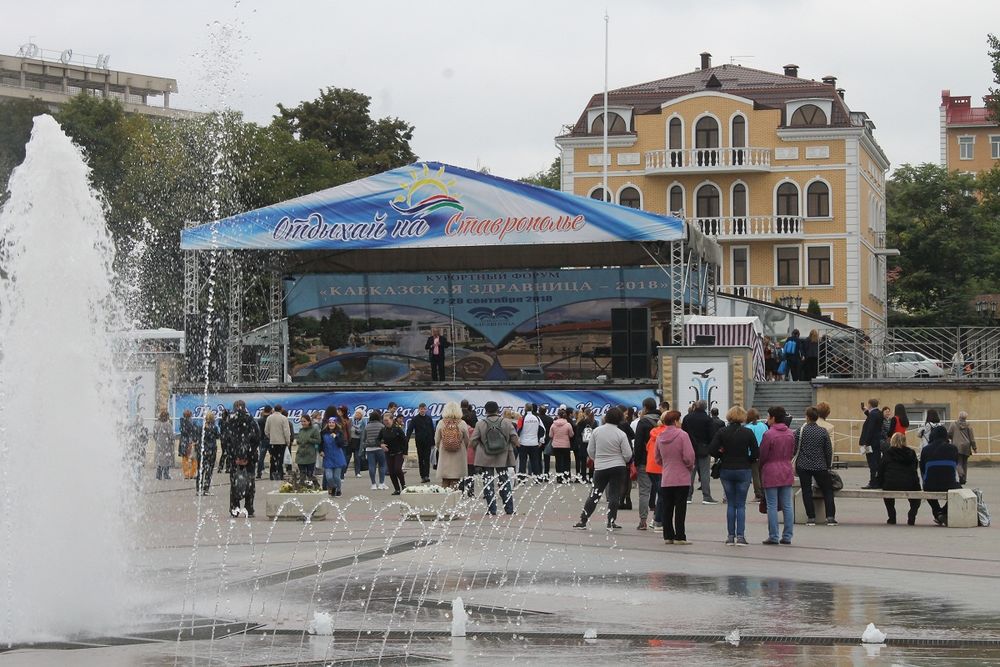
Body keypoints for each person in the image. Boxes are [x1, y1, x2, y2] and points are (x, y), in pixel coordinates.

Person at [572, 407, 633, 531]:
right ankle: (611, 521)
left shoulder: (597, 431)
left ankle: (583, 520)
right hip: (618, 467)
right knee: (614, 495)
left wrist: (597, 459)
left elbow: (590, 450)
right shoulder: (621, 434)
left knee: (594, 494)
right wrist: (622, 460)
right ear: (620, 419)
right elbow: (628, 454)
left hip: (601, 467)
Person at [710, 406, 759, 546]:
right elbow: (756, 453)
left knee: (731, 504)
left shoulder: (722, 432)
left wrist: (721, 455)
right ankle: (741, 536)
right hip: (743, 469)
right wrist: (748, 460)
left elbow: (712, 449)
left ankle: (730, 536)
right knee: (741, 505)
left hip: (727, 469)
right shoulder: (748, 432)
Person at [654, 410, 695, 545]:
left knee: (667, 508)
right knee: (680, 508)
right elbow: (689, 456)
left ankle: (668, 536)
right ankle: (680, 536)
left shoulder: (660, 437)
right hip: (682, 477)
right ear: (676, 421)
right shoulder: (683, 435)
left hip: (667, 476)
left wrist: (666, 465)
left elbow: (657, 458)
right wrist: (689, 467)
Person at [470, 400, 518, 516]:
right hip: (503, 456)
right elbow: (514, 438)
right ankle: (509, 509)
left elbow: (473, 441)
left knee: (488, 483)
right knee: (505, 481)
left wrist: (480, 448)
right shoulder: (506, 422)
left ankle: (492, 510)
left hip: (486, 458)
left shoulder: (480, 424)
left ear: (486, 411)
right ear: (498, 410)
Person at [794, 406, 837, 526]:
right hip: (820, 465)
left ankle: (811, 517)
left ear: (807, 417)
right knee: (827, 490)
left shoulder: (800, 431)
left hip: (803, 465)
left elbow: (795, 448)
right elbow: (828, 450)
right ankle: (830, 517)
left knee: (806, 491)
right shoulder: (823, 431)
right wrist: (828, 465)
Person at [759, 406, 795, 544]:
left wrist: (761, 467)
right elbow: (792, 451)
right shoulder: (790, 433)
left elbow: (763, 454)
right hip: (786, 468)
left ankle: (773, 535)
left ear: (773, 417)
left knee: (772, 505)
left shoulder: (769, 434)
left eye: (768, 416)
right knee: (787, 505)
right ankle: (787, 535)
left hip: (771, 470)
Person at [878, 432, 922, 525]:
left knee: (888, 495)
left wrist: (880, 482)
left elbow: (881, 469)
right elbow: (914, 468)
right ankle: (912, 515)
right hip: (909, 483)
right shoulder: (911, 453)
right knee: (916, 498)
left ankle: (892, 517)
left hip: (891, 483)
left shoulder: (888, 453)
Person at [921, 424, 961, 525]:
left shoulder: (926, 449)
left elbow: (922, 469)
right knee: (960, 491)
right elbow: (955, 464)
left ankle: (937, 512)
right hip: (950, 484)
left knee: (927, 488)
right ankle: (942, 512)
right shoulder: (953, 449)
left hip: (930, 485)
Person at [632, 397, 661, 530]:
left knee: (644, 491)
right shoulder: (663, 421)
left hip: (645, 461)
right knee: (661, 491)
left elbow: (638, 444)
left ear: (645, 407)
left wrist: (636, 462)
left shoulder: (642, 422)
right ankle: (658, 518)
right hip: (662, 461)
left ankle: (643, 521)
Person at [681, 400, 718, 504]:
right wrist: (710, 448)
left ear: (695, 407)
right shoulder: (708, 419)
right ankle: (706, 496)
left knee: (690, 473)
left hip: (689, 448)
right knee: (705, 473)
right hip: (704, 449)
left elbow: (683, 433)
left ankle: (688, 496)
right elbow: (712, 435)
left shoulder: (687, 418)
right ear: (705, 408)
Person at [228, 400, 260, 518]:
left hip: (235, 459)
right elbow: (256, 439)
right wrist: (248, 456)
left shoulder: (230, 422)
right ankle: (248, 507)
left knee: (235, 483)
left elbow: (227, 441)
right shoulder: (251, 421)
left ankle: (235, 507)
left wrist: (235, 457)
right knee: (250, 482)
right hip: (249, 458)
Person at [435, 401, 470, 489]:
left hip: (444, 453)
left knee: (445, 480)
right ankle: (454, 500)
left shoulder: (441, 423)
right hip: (459, 454)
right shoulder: (462, 423)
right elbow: (467, 440)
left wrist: (441, 447)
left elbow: (437, 440)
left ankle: (444, 500)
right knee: (456, 480)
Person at [407, 403, 437, 483]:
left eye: (424, 409)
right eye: (421, 409)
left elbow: (431, 430)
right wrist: (407, 439)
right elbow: (410, 429)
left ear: (426, 409)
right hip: (419, 441)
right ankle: (422, 476)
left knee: (427, 459)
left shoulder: (428, 418)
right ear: (419, 409)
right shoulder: (415, 419)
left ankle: (427, 475)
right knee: (421, 459)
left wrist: (433, 441)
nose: (422, 410)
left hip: (428, 441)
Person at [859, 398, 884, 489]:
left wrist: (866, 442)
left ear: (869, 404)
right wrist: (866, 412)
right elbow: (873, 418)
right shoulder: (879, 413)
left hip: (871, 443)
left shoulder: (873, 414)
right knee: (876, 462)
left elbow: (870, 429)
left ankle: (873, 482)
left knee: (872, 463)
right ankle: (878, 481)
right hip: (877, 442)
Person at [381, 413, 408, 494]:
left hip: (398, 452)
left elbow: (404, 441)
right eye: (384, 420)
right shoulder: (383, 430)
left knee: (397, 469)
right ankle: (397, 489)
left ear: (392, 420)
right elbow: (377, 440)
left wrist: (405, 453)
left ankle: (403, 485)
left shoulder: (397, 429)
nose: (386, 422)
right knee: (391, 472)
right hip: (389, 454)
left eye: (387, 420)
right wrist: (381, 444)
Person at [947, 411, 977, 485]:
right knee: (964, 462)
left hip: (956, 445)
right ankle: (964, 479)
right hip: (966, 446)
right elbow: (972, 438)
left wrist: (952, 438)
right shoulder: (968, 426)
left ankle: (961, 474)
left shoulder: (954, 424)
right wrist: (974, 448)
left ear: (959, 416)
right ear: (965, 417)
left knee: (958, 462)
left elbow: (949, 434)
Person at [264, 404, 292, 481]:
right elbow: (286, 431)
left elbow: (266, 430)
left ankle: (272, 475)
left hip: (272, 441)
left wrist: (271, 437)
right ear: (281, 410)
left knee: (273, 459)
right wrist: (288, 441)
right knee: (280, 459)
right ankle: (280, 474)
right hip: (281, 442)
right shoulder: (283, 418)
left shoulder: (269, 418)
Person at [321, 417, 347, 496]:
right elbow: (320, 443)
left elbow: (341, 444)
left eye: (333, 422)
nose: (331, 424)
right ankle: (334, 487)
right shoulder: (323, 433)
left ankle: (338, 490)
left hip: (337, 457)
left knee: (336, 477)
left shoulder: (339, 432)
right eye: (329, 422)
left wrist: (336, 437)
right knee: (329, 477)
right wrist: (320, 451)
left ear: (336, 424)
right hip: (328, 457)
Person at [745, 409, 768, 501]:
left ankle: (758, 494)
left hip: (752, 453)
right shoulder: (763, 425)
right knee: (762, 473)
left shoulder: (748, 427)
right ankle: (764, 492)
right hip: (763, 452)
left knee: (755, 474)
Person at [516, 403, 543, 479]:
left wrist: (517, 440)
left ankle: (522, 479)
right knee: (535, 461)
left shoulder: (522, 418)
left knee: (523, 462)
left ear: (525, 408)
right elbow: (543, 429)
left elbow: (518, 430)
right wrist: (541, 441)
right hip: (534, 443)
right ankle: (537, 478)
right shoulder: (537, 418)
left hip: (523, 443)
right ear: (531, 409)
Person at [196, 411, 220, 496]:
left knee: (200, 470)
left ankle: (198, 489)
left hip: (202, 451)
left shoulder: (200, 427)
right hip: (211, 450)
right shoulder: (214, 428)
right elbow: (218, 436)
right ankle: (206, 489)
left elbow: (197, 438)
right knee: (209, 470)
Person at [548, 408, 575, 483]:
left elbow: (550, 435)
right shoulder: (568, 424)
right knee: (567, 461)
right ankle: (566, 477)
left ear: (558, 416)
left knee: (558, 461)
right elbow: (571, 434)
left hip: (556, 445)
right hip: (566, 445)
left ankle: (559, 477)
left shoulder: (553, 424)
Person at [363, 410, 388, 490]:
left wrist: (364, 446)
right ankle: (381, 483)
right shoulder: (382, 426)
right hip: (380, 448)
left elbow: (363, 438)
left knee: (371, 466)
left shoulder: (367, 426)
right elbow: (385, 437)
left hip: (369, 448)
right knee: (382, 465)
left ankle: (373, 484)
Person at [573, 408, 597, 483]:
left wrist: (579, 442)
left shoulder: (582, 422)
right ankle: (591, 476)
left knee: (583, 461)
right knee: (591, 460)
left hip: (583, 443)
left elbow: (578, 433)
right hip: (592, 443)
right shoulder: (594, 422)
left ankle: (583, 476)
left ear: (585, 413)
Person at [295, 414, 321, 482]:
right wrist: (298, 441)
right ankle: (302, 487)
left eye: (304, 421)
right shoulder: (301, 430)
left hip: (310, 455)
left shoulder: (314, 430)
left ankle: (312, 486)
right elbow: (298, 440)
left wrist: (309, 440)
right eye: (301, 421)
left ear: (309, 421)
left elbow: (318, 441)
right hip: (300, 455)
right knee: (302, 475)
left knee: (310, 475)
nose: (303, 423)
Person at [459, 405, 478, 498]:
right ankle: (471, 491)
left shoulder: (459, 428)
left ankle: (461, 491)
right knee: (471, 474)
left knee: (461, 474)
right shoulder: (473, 430)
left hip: (461, 454)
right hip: (471, 455)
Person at [126, 414, 149, 489]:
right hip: (139, 451)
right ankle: (137, 483)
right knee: (137, 468)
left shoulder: (131, 428)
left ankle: (135, 482)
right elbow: (146, 440)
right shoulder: (144, 429)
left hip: (134, 451)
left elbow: (128, 439)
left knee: (134, 467)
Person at [152, 410, 174, 480]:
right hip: (167, 444)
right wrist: (171, 441)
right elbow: (171, 435)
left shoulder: (156, 424)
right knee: (166, 459)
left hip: (159, 444)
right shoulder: (168, 425)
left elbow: (154, 434)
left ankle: (158, 475)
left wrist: (157, 440)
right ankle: (166, 474)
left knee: (160, 459)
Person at [179, 409, 199, 480]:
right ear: (190, 415)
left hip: (184, 442)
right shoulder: (193, 423)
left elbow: (183, 431)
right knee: (194, 458)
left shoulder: (182, 422)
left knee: (185, 459)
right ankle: (192, 474)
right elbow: (195, 432)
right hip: (190, 442)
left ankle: (186, 474)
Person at [349, 408, 368, 478]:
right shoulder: (351, 420)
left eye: (359, 414)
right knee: (348, 456)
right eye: (356, 413)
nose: (357, 415)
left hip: (358, 441)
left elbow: (364, 431)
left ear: (361, 415)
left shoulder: (363, 422)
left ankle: (357, 472)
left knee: (357, 457)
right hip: (351, 440)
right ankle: (343, 472)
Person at [255, 405, 273, 479]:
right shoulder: (271, 419)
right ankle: (273, 472)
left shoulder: (260, 420)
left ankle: (259, 473)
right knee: (273, 456)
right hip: (270, 439)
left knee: (261, 457)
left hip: (262, 439)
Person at [336, 405, 353, 479]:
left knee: (343, 459)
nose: (338, 412)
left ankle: (341, 475)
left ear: (343, 412)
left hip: (344, 441)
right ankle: (339, 474)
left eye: (339, 411)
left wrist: (349, 440)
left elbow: (349, 431)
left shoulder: (347, 421)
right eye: (337, 411)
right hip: (336, 441)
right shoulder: (335, 420)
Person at [538, 405, 554, 477]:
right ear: (546, 411)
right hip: (547, 440)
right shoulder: (550, 419)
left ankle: (539, 474)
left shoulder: (537, 419)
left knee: (538, 458)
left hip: (538, 440)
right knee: (547, 458)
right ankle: (546, 474)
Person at [217, 408, 231, 474]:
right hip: (227, 438)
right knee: (228, 453)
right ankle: (227, 468)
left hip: (223, 438)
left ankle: (220, 467)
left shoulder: (221, 421)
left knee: (224, 453)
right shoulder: (227, 422)